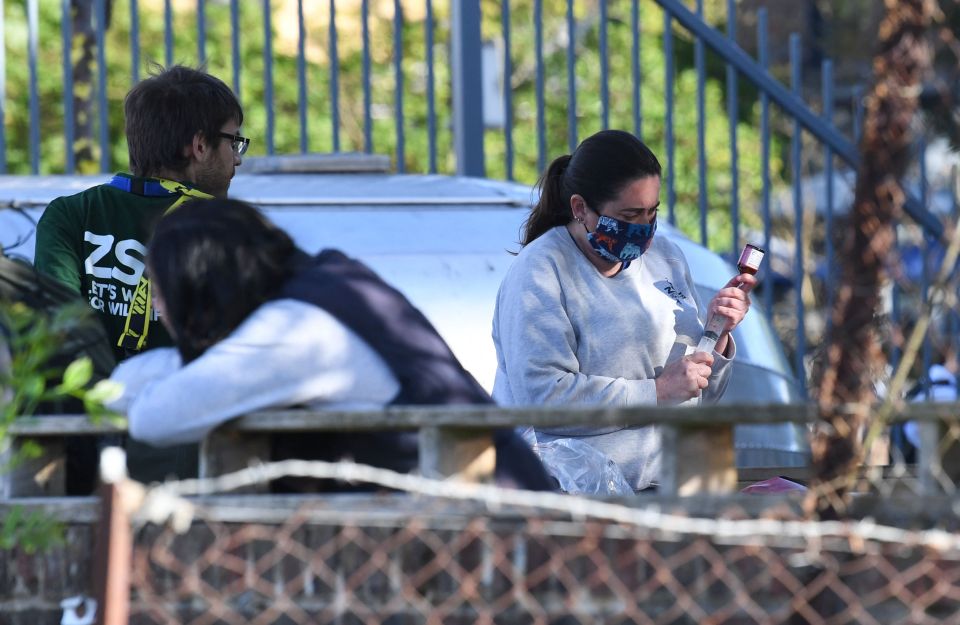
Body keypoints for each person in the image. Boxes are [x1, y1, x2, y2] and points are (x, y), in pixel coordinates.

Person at [107, 198, 554, 492]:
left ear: (199, 283)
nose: (159, 308)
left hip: (492, 538)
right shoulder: (322, 283)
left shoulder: (295, 331)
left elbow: (154, 418)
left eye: (161, 289)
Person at [491, 129, 756, 492]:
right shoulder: (540, 272)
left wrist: (718, 334)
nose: (642, 228)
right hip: (570, 500)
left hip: (665, 489)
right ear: (580, 208)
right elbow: (542, 398)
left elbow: (694, 395)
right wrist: (656, 392)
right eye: (629, 214)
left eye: (652, 212)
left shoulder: (666, 259)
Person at [33, 65, 246, 484]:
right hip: (183, 449)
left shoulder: (69, 215)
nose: (237, 158)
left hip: (76, 446)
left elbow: (56, 327)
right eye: (233, 141)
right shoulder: (227, 228)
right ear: (200, 146)